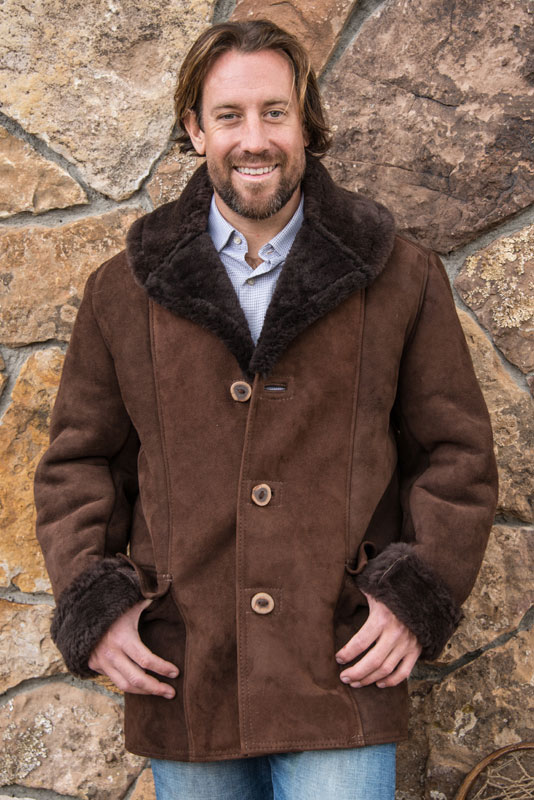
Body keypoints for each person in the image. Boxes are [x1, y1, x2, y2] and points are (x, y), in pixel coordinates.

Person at [34, 19, 498, 800]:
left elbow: (458, 456)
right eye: (230, 115)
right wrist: (97, 606)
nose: (255, 139)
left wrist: (415, 596)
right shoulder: (124, 291)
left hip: (339, 666)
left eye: (274, 112)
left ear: (305, 123)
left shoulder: (400, 277)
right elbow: (78, 464)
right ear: (196, 129)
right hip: (186, 671)